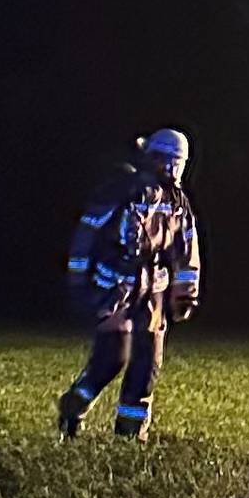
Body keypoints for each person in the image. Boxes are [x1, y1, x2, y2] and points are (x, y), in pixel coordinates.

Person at [56, 128, 202, 440]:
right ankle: (73, 407)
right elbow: (87, 235)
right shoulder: (121, 192)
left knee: (147, 361)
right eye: (169, 161)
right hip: (115, 287)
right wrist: (79, 282)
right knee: (111, 358)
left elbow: (187, 251)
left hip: (154, 291)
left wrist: (184, 294)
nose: (172, 169)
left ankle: (130, 434)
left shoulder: (178, 203)